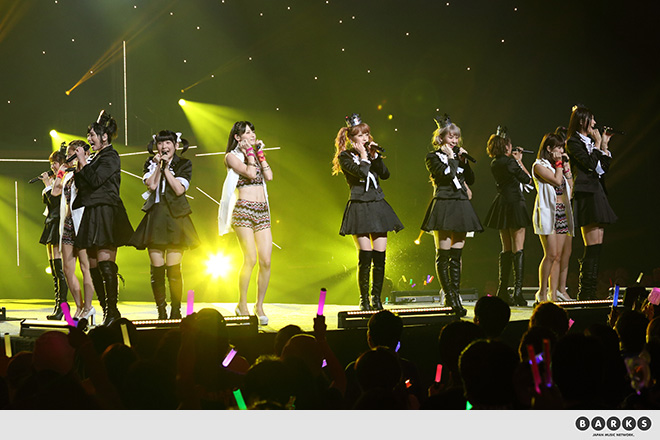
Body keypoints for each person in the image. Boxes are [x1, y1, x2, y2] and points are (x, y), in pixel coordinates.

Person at [332, 113, 403, 311]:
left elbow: (385, 174)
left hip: (377, 205)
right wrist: (364, 156)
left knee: (380, 258)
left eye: (366, 134)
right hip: (359, 207)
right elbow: (361, 173)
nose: (365, 138)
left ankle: (377, 298)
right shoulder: (345, 157)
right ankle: (364, 299)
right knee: (365, 257)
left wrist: (374, 156)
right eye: (360, 135)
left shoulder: (371, 154)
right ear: (351, 138)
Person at [73, 110, 134, 326]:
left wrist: (84, 162)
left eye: (92, 135)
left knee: (105, 262)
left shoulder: (111, 156)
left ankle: (112, 311)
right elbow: (83, 186)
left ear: (104, 136)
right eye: (88, 135)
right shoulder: (96, 158)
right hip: (92, 210)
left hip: (106, 210)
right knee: (92, 265)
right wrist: (81, 165)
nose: (89, 139)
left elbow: (97, 180)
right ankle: (106, 309)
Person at [131, 130, 200, 319]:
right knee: (157, 270)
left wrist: (167, 169)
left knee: (174, 270)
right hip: (156, 217)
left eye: (168, 142)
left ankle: (176, 311)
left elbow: (178, 190)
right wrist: (158, 168)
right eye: (160, 143)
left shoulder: (184, 164)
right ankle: (161, 311)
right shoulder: (151, 163)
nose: (164, 146)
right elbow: (152, 186)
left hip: (176, 218)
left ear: (175, 145)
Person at [421, 114, 482, 316]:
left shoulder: (458, 157)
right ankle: (449, 295)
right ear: (441, 139)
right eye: (451, 137)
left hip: (461, 204)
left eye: (456, 137)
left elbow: (470, 180)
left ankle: (455, 294)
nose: (455, 140)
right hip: (444, 204)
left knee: (457, 256)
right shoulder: (432, 157)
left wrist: (464, 161)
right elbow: (446, 176)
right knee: (443, 255)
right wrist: (452, 159)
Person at [218, 121, 273, 325]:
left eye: (253, 131)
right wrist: (250, 152)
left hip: (262, 210)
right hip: (244, 210)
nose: (252, 135)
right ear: (237, 137)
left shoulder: (255, 155)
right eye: (247, 132)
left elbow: (269, 176)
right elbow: (250, 173)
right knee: (250, 259)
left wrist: (260, 154)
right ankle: (242, 304)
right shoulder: (231, 156)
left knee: (266, 260)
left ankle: (259, 305)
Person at [565, 105, 617, 300]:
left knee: (597, 244)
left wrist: (604, 145)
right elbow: (588, 164)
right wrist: (597, 144)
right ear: (582, 121)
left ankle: (589, 291)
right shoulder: (573, 142)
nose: (595, 123)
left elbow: (602, 169)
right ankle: (585, 292)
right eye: (592, 119)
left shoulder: (589, 142)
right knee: (591, 244)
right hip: (586, 192)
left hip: (597, 190)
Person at [484, 126, 533, 307]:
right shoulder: (510, 163)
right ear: (506, 146)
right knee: (518, 249)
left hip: (502, 204)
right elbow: (527, 179)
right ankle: (517, 292)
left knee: (506, 249)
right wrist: (519, 161)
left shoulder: (495, 163)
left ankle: (503, 290)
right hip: (515, 204)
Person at [51, 140, 96, 323]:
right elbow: (55, 192)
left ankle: (88, 307)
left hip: (83, 222)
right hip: (68, 223)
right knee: (68, 268)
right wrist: (61, 170)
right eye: (69, 155)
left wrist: (81, 164)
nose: (71, 158)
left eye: (73, 154)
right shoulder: (68, 174)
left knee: (86, 267)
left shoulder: (88, 169)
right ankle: (79, 306)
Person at [531, 133, 575, 304]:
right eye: (558, 147)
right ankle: (541, 292)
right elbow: (557, 181)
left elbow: (569, 187)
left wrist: (567, 167)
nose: (561, 151)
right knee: (550, 254)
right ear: (549, 148)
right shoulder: (538, 166)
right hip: (548, 213)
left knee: (558, 256)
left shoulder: (558, 166)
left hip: (562, 211)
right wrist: (559, 164)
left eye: (562, 147)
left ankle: (553, 294)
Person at [38, 148, 69, 320]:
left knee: (59, 267)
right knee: (54, 267)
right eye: (51, 164)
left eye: (55, 163)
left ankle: (63, 306)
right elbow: (48, 202)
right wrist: (48, 184)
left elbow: (55, 199)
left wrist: (47, 185)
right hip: (50, 222)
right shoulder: (56, 179)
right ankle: (58, 305)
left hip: (59, 222)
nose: (52, 167)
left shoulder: (64, 178)